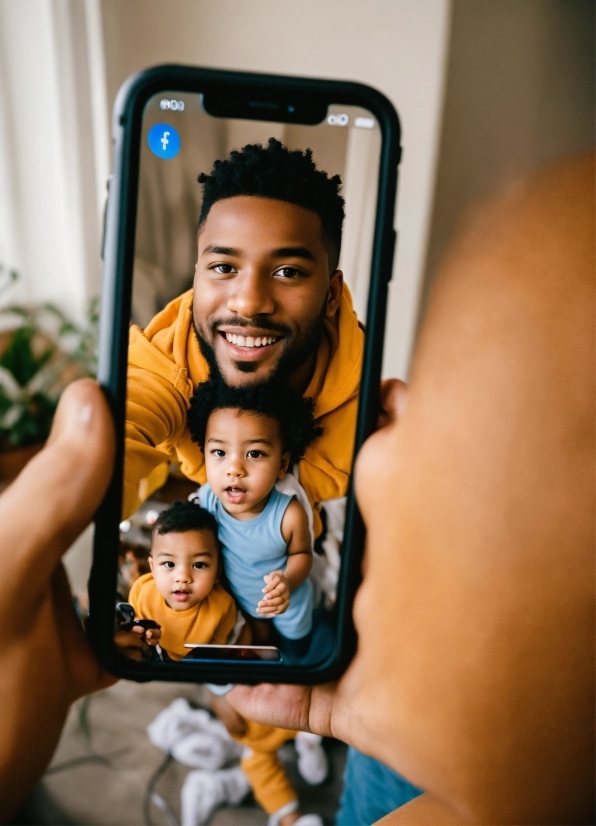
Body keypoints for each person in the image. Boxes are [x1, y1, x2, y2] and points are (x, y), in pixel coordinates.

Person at [1, 153, 592, 824]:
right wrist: (83, 485)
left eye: (287, 270)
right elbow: (130, 427)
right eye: (222, 266)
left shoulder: (359, 405)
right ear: (197, 274)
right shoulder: (169, 356)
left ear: (332, 288)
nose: (249, 299)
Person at [191, 378, 319, 656]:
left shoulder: (288, 515)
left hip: (289, 607)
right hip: (240, 602)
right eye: (219, 452)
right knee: (256, 653)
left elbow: (302, 555)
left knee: (295, 655)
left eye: (255, 453)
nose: (234, 469)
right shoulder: (206, 501)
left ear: (282, 464)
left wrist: (287, 582)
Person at [115, 500, 237, 661]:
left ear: (217, 571)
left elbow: (216, 648)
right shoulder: (142, 590)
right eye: (169, 564)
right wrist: (142, 632)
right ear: (153, 568)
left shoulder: (223, 606)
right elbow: (137, 621)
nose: (183, 577)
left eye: (199, 564)